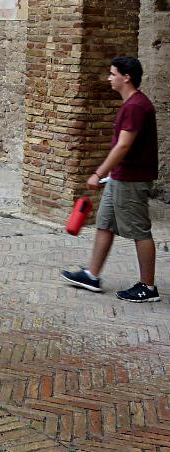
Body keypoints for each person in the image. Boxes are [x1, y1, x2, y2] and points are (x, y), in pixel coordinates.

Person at [61, 55, 159, 302]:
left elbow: (123, 146)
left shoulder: (136, 106)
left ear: (126, 77)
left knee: (140, 231)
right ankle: (92, 275)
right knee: (105, 223)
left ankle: (148, 288)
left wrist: (98, 173)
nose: (109, 78)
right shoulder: (131, 104)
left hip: (132, 180)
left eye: (113, 73)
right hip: (120, 177)